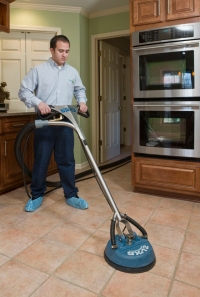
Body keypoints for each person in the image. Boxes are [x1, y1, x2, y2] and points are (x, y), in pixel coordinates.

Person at [18, 35, 88, 212]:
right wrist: (38, 103)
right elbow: (24, 91)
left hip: (66, 120)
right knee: (41, 159)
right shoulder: (38, 70)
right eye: (60, 51)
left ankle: (71, 194)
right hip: (45, 120)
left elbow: (80, 90)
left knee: (66, 159)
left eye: (67, 51)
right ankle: (37, 195)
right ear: (51, 50)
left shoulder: (72, 72)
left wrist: (82, 101)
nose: (64, 55)